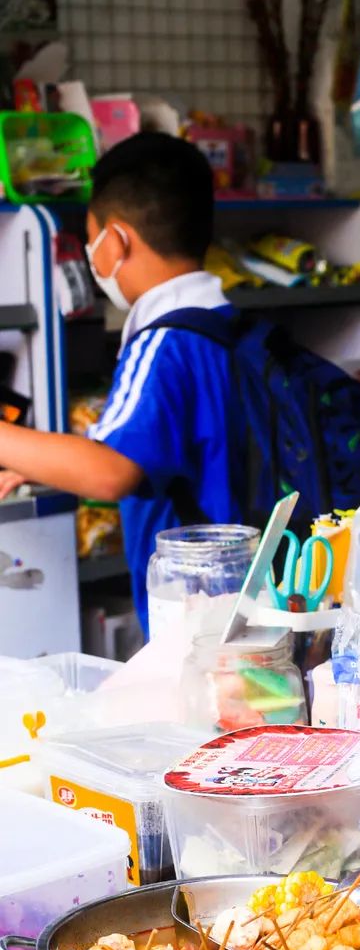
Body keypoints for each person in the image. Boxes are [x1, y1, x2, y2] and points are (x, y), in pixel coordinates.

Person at [0, 133, 243, 633]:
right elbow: (184, 453)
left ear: (115, 241)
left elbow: (111, 473)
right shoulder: (231, 327)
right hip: (255, 599)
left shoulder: (164, 342)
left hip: (201, 622)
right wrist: (41, 463)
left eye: (91, 241)